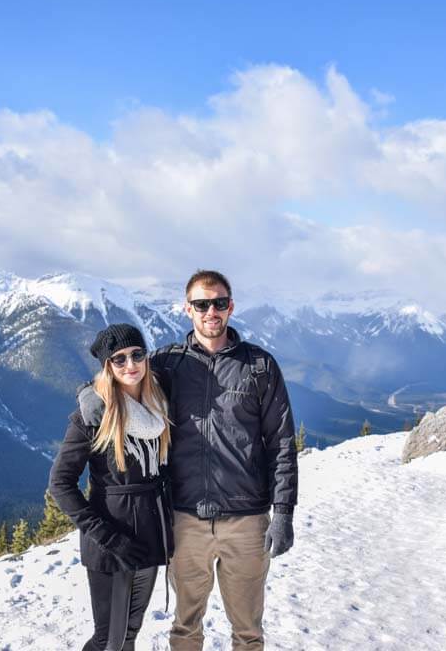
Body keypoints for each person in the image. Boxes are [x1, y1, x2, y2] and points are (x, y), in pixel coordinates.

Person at [151, 270, 298, 651]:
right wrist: (91, 395)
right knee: (185, 628)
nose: (210, 311)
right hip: (185, 519)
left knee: (248, 632)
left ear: (230, 307)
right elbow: (120, 376)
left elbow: (282, 443)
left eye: (218, 303)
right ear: (188, 310)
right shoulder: (167, 364)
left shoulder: (259, 366)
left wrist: (282, 512)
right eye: (202, 304)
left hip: (247, 521)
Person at [48, 323, 173, 651]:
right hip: (112, 544)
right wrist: (106, 537)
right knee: (109, 639)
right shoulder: (92, 416)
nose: (130, 364)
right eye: (119, 360)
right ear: (107, 366)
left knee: (129, 633)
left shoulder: (156, 405)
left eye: (137, 355)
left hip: (149, 540)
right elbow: (60, 484)